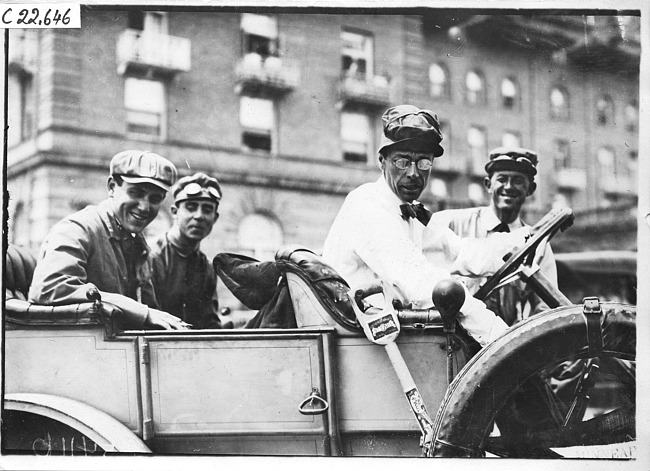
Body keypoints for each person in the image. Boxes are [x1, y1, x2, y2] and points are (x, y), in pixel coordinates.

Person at [322, 105, 533, 347]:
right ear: (382, 161)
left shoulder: (411, 210)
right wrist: (499, 336)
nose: (413, 173)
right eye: (402, 161)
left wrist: (516, 244)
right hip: (360, 340)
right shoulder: (367, 205)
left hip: (393, 337)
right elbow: (420, 282)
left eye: (423, 162)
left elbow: (459, 251)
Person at [29, 150, 189, 331]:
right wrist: (141, 312)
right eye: (136, 193)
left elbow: (149, 307)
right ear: (112, 187)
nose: (144, 207)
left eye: (155, 198)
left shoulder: (137, 243)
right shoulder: (79, 229)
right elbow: (49, 288)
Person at [429, 147, 558, 326]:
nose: (509, 186)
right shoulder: (451, 223)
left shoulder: (538, 243)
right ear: (488, 184)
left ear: (531, 189)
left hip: (508, 343)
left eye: (518, 181)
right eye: (502, 179)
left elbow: (546, 307)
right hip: (455, 338)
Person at [150, 173, 224, 329]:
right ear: (175, 212)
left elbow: (210, 323)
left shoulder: (207, 267)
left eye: (207, 209)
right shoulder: (152, 255)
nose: (199, 216)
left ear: (215, 218)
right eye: (191, 208)